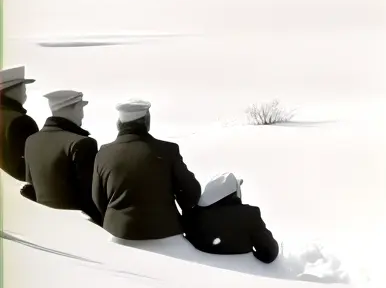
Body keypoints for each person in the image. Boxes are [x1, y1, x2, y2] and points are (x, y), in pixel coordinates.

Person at [92, 99, 201, 241]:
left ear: (119, 124)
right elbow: (191, 194)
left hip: (117, 234)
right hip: (165, 232)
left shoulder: (104, 153)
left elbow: (97, 199)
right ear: (146, 122)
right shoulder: (167, 151)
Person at [22, 89, 101, 223]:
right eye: (81, 108)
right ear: (75, 108)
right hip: (78, 227)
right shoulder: (82, 143)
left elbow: (30, 187)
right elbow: (91, 196)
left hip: (44, 223)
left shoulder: (31, 141)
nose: (82, 115)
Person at [183, 172, 279, 263]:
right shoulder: (249, 215)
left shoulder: (193, 215)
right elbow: (269, 253)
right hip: (242, 274)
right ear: (233, 193)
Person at [0, 65, 39, 181]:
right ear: (13, 89)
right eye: (23, 86)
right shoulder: (21, 122)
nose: (25, 91)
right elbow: (36, 166)